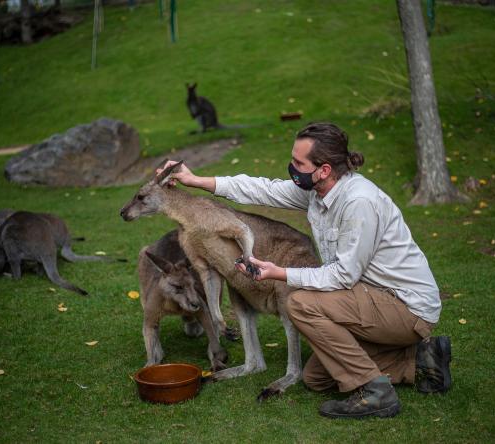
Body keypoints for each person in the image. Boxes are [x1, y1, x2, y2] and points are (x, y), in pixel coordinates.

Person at [158, 122, 451, 420]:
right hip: (368, 299)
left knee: (301, 303)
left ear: (324, 169)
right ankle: (420, 360)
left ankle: (375, 392)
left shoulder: (358, 202)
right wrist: (195, 180)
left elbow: (342, 276)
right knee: (316, 378)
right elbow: (261, 190)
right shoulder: (319, 191)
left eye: (299, 163)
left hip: (406, 306)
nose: (292, 167)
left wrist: (279, 273)